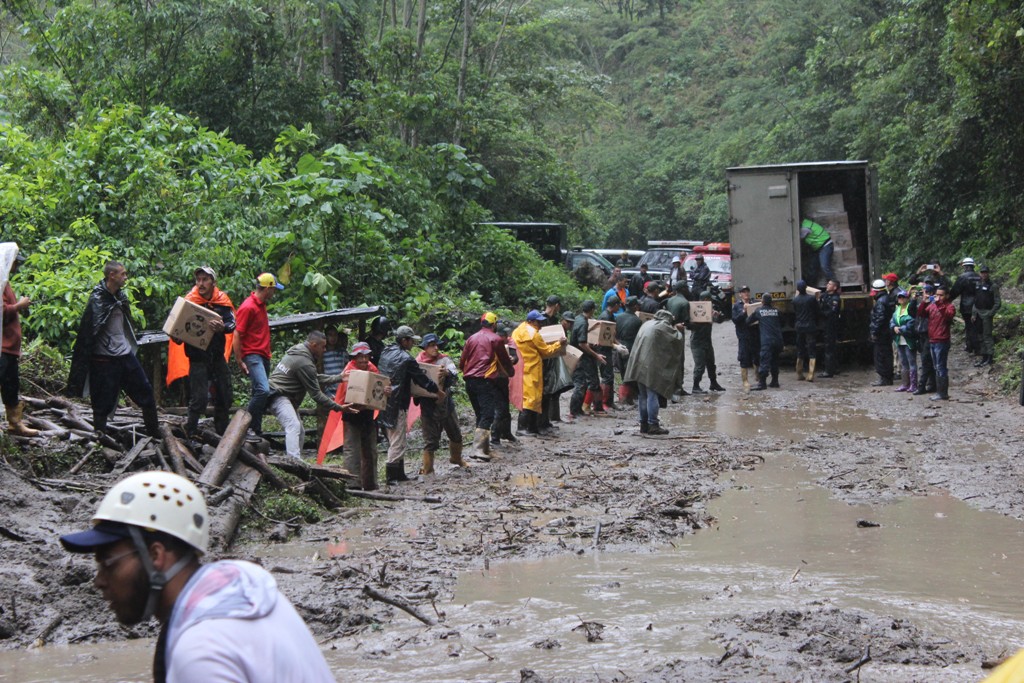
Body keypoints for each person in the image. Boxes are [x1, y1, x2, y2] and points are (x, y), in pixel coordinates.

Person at [59, 471, 335, 682]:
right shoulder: (246, 586)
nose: (99, 581)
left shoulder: (200, 650)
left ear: (156, 555)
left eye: (108, 564)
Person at [67, 261, 160, 437]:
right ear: (112, 276)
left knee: (146, 392)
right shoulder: (98, 299)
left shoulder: (120, 297)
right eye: (123, 274)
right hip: (104, 359)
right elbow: (88, 333)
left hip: (124, 355)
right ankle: (100, 438)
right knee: (102, 402)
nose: (125, 277)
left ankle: (155, 433)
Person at [266, 331, 347, 460]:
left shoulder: (300, 351)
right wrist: (339, 407)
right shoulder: (304, 362)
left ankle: (296, 460)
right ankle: (294, 462)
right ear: (314, 345)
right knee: (293, 425)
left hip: (284, 395)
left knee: (300, 431)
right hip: (277, 395)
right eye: (323, 347)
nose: (324, 350)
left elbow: (313, 377)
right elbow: (316, 395)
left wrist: (338, 378)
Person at [178, 266, 235, 439]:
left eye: (204, 280)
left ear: (213, 282)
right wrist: (177, 335)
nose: (200, 283)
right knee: (199, 398)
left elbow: (232, 323)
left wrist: (222, 327)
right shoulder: (189, 301)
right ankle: (191, 433)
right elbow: (177, 330)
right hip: (197, 358)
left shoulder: (222, 301)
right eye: (198, 280)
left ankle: (222, 434)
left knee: (224, 395)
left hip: (217, 356)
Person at [379, 325, 441, 481]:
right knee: (397, 441)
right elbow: (421, 379)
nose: (413, 344)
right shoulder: (407, 359)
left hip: (383, 400)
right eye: (411, 341)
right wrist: (437, 391)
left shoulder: (386, 352)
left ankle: (399, 474)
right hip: (398, 402)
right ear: (404, 340)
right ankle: (391, 477)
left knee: (394, 437)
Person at [233, 273, 283, 436]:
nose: (274, 293)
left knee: (257, 392)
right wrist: (239, 359)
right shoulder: (248, 307)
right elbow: (237, 334)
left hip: (263, 355)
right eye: (274, 289)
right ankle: (244, 426)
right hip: (252, 354)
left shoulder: (261, 305)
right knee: (263, 390)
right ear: (268, 288)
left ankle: (256, 429)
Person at [460, 312, 514, 459]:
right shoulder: (495, 339)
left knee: (480, 414)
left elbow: (462, 361)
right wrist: (510, 371)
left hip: (469, 380)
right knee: (488, 414)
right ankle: (477, 450)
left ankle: (484, 448)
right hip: (484, 380)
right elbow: (504, 360)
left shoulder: (471, 338)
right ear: (494, 324)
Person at [623, 309, 684, 435]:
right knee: (652, 394)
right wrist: (679, 330)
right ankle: (653, 424)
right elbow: (677, 339)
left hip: (638, 364)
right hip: (651, 366)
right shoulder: (663, 327)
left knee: (642, 395)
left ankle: (643, 424)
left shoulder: (647, 324)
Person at [414, 333, 465, 474]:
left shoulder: (445, 359)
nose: (435, 348)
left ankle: (456, 458)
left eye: (436, 345)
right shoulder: (417, 362)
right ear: (425, 347)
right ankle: (428, 468)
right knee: (430, 440)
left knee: (455, 433)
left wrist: (447, 373)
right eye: (431, 345)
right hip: (428, 405)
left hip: (446, 403)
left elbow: (455, 373)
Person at [2, 250, 39, 437]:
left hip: (9, 348)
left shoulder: (5, 282)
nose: (16, 267)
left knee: (11, 385)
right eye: (15, 263)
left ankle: (15, 423)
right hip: (2, 346)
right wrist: (19, 306)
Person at [511, 310, 566, 435]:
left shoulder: (518, 330)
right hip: (532, 369)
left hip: (521, 368)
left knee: (526, 398)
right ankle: (523, 428)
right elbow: (546, 351)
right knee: (531, 399)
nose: (541, 324)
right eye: (539, 322)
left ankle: (530, 427)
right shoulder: (534, 334)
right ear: (532, 321)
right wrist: (559, 344)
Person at [340, 342, 385, 490]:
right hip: (351, 414)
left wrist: (386, 391)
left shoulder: (373, 369)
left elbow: (378, 390)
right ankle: (352, 483)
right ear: (354, 358)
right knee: (352, 449)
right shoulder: (348, 371)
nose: (364, 360)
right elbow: (347, 393)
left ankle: (371, 483)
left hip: (368, 415)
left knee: (370, 449)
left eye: (366, 357)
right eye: (360, 357)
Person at [568, 300, 606, 418]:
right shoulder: (583, 322)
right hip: (581, 357)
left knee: (583, 383)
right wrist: (596, 355)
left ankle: (579, 409)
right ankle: (574, 411)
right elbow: (582, 344)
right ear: (592, 310)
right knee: (581, 384)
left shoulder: (578, 318)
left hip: (576, 354)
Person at [918, 286, 956, 400]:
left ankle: (943, 393)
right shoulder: (932, 305)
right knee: (936, 366)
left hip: (942, 340)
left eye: (941, 295)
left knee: (941, 367)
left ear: (947, 296)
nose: (938, 297)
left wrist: (939, 304)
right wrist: (924, 302)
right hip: (932, 339)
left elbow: (948, 316)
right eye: (937, 295)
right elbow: (921, 314)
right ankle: (939, 391)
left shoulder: (950, 306)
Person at [690, 290, 725, 393]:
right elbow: (689, 325)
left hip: (707, 341)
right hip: (697, 342)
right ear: (705, 300)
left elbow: (719, 320)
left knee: (711, 364)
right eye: (709, 300)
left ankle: (713, 383)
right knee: (700, 365)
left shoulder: (710, 310)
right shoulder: (695, 310)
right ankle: (695, 386)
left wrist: (718, 315)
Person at [749, 293, 783, 390]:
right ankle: (775, 381)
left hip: (767, 340)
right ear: (771, 302)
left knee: (764, 361)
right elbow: (782, 321)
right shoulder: (777, 311)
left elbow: (748, 321)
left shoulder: (759, 311)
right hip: (778, 340)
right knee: (775, 361)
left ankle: (762, 383)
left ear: (762, 302)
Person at [664, 280, 691, 400]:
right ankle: (678, 388)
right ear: (684, 289)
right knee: (680, 360)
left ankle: (669, 387)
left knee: (670, 359)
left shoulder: (670, 300)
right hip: (679, 333)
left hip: (668, 331)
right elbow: (687, 321)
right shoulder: (685, 303)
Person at [950, 257, 982, 356]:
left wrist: (947, 300)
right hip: (979, 305)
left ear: (964, 266)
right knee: (976, 327)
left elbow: (955, 291)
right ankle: (970, 346)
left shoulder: (962, 277)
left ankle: (975, 348)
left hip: (966, 306)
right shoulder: (979, 277)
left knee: (970, 327)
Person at [615, 297, 643, 405]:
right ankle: (628, 397)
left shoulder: (618, 317)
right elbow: (638, 338)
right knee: (631, 372)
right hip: (630, 347)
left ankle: (624, 395)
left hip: (618, 346)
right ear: (635, 306)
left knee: (622, 371)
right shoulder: (637, 320)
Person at [868, 277, 895, 386]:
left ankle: (884, 378)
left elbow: (879, 318)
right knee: (887, 354)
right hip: (886, 332)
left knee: (881, 356)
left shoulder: (880, 302)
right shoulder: (887, 298)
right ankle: (887, 377)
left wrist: (874, 332)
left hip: (881, 334)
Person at [972, 264, 1001, 367]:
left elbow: (998, 302)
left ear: (988, 273)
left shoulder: (993, 286)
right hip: (978, 312)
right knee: (980, 336)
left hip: (987, 313)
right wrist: (974, 313)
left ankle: (990, 357)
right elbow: (975, 301)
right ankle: (983, 357)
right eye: (982, 272)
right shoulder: (978, 284)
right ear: (980, 273)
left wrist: (990, 313)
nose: (984, 274)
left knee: (987, 336)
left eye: (986, 272)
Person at [791, 280, 820, 381]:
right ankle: (811, 374)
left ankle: (799, 373)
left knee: (800, 348)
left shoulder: (795, 300)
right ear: (806, 288)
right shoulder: (811, 299)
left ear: (798, 289)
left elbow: (795, 311)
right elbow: (817, 310)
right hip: (810, 326)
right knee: (811, 349)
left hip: (799, 326)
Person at [731, 285, 758, 391]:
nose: (746, 293)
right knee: (744, 357)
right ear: (740, 294)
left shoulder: (754, 303)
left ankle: (758, 376)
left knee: (756, 356)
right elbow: (735, 320)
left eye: (747, 291)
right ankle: (745, 381)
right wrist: (744, 311)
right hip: (743, 335)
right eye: (743, 292)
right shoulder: (737, 305)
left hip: (754, 334)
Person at [891, 290, 918, 392]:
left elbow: (912, 322)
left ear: (907, 298)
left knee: (911, 362)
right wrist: (894, 327)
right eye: (899, 297)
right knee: (903, 362)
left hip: (909, 340)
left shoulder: (910, 308)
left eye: (903, 297)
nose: (901, 299)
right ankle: (905, 383)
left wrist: (901, 329)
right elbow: (892, 321)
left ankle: (914, 384)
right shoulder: (897, 310)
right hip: (899, 340)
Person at [597, 297, 622, 410]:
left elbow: (611, 334)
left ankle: (610, 401)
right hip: (603, 349)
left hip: (608, 348)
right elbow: (604, 337)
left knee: (610, 375)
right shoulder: (605, 317)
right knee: (606, 376)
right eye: (619, 305)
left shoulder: (610, 315)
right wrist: (615, 345)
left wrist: (619, 344)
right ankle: (604, 402)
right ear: (615, 305)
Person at [912, 284, 937, 396]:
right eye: (922, 293)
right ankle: (932, 384)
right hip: (921, 334)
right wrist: (913, 300)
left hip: (929, 335)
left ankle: (922, 386)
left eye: (924, 292)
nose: (923, 295)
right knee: (927, 360)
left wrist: (928, 300)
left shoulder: (934, 303)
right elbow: (914, 313)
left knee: (926, 361)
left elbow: (925, 313)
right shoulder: (921, 304)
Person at [818, 279, 842, 378]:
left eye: (829, 284)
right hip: (826, 324)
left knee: (829, 347)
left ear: (835, 287)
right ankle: (834, 368)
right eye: (827, 283)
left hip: (831, 325)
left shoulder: (835, 299)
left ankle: (829, 371)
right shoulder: (825, 295)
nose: (827, 285)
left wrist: (820, 313)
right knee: (829, 347)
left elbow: (831, 313)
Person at [799, 218, 834, 282]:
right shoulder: (805, 222)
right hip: (817, 247)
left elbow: (798, 240)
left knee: (824, 267)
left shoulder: (804, 228)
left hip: (825, 245)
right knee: (812, 267)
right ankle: (810, 286)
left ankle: (833, 286)